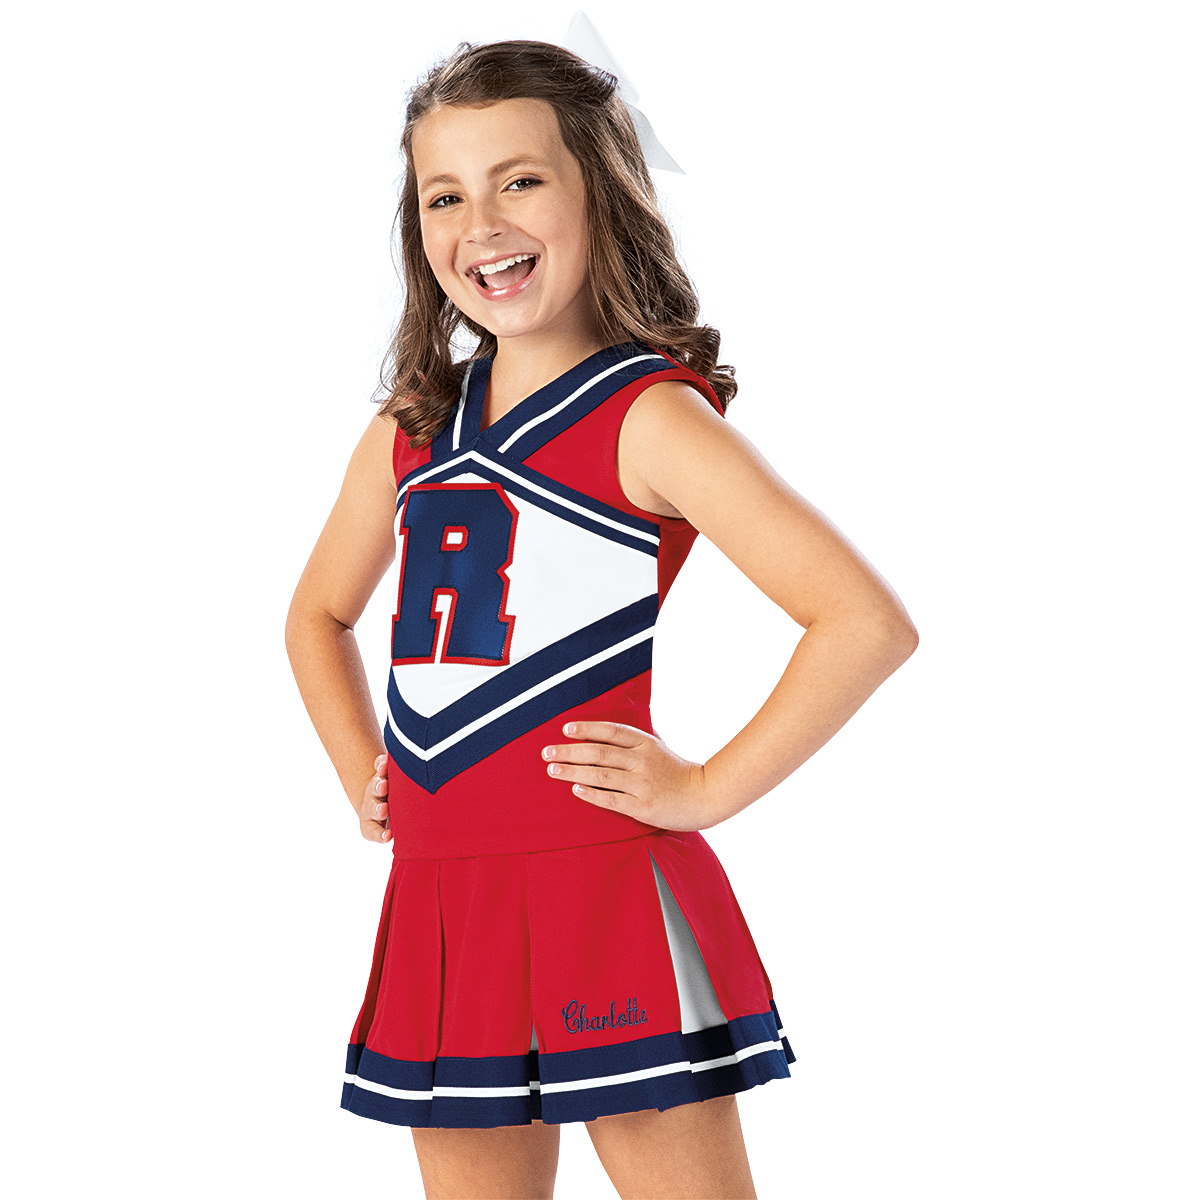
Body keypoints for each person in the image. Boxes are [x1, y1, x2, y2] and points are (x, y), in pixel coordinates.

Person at [285, 37, 918, 1200]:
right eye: (444, 195)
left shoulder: (648, 417)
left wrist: (706, 788)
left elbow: (862, 620)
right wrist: (359, 764)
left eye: (520, 179)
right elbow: (317, 615)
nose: (482, 223)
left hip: (602, 887)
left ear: (601, 192)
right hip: (444, 897)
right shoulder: (411, 429)